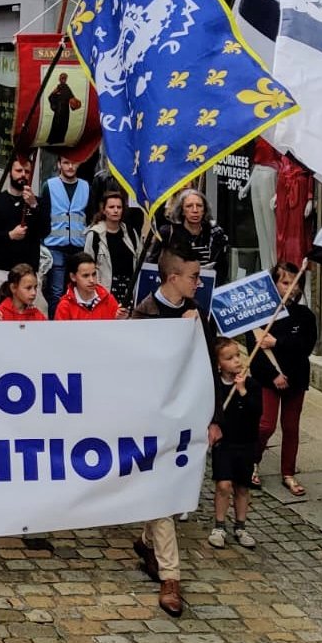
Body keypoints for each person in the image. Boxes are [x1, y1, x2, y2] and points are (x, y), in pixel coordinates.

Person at [130, 246, 221, 618]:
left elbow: (210, 368)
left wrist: (215, 418)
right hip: (151, 419)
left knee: (171, 488)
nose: (199, 283)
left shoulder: (199, 314)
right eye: (193, 277)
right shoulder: (143, 315)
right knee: (164, 493)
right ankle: (171, 577)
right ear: (173, 278)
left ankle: (146, 542)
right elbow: (132, 369)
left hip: (185, 417)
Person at [251, 261, 317, 496]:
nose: (291, 288)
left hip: (295, 379)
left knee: (291, 427)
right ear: (274, 284)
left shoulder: (305, 316)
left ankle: (288, 472)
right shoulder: (263, 315)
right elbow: (255, 353)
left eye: (295, 283)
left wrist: (278, 343)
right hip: (269, 380)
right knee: (265, 425)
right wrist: (273, 376)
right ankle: (253, 461)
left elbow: (305, 347)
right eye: (285, 282)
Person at [209, 339, 261, 551]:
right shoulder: (216, 386)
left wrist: (242, 391)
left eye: (238, 355)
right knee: (223, 485)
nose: (237, 361)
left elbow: (257, 412)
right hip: (225, 443)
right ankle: (219, 525)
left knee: (242, 485)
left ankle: (240, 525)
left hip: (246, 442)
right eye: (230, 358)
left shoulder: (251, 385)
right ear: (219, 364)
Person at [0, 155, 49, 303]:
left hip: (28, 274)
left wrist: (34, 206)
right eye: (18, 170)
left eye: (27, 171)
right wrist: (9, 235)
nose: (23, 175)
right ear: (10, 172)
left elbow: (45, 231)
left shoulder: (39, 203)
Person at [41, 156, 90, 310]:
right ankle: (55, 327)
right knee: (56, 292)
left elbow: (90, 214)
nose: (70, 166)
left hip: (78, 247)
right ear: (59, 164)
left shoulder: (86, 186)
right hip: (55, 246)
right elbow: (44, 215)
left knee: (78, 291)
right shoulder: (49, 186)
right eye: (66, 163)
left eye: (73, 162)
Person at [158, 188, 229, 283]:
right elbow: (153, 265)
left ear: (204, 210)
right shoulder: (168, 233)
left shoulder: (215, 233)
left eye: (199, 206)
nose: (195, 210)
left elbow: (222, 268)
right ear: (182, 211)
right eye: (189, 206)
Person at [83, 190, 140, 307]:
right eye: (111, 207)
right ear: (104, 210)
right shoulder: (94, 235)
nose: (115, 210)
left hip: (130, 292)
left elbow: (139, 260)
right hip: (104, 292)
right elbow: (86, 267)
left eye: (119, 207)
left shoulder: (131, 233)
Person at [53, 253, 125, 321]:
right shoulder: (65, 306)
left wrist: (121, 320)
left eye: (94, 274)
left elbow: (118, 331)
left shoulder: (109, 300)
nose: (92, 280)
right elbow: (60, 333)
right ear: (73, 277)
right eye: (85, 276)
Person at [46, 72, 79, 146]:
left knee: (64, 125)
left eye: (65, 78)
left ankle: (60, 140)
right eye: (62, 78)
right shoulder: (58, 88)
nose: (63, 79)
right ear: (60, 79)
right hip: (59, 110)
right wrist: (54, 106)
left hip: (66, 110)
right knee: (56, 125)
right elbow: (50, 97)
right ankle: (52, 140)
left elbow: (72, 98)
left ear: (66, 79)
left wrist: (75, 104)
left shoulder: (67, 88)